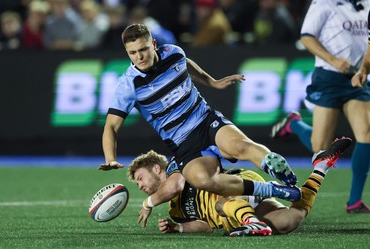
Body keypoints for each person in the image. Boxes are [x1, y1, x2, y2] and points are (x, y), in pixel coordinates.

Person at [99, 23, 301, 205]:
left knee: (241, 147)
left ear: (153, 44)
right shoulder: (128, 86)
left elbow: (185, 64)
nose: (139, 57)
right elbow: (111, 126)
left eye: (143, 49)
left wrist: (212, 81)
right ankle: (273, 189)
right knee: (203, 180)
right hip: (183, 143)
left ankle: (279, 169)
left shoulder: (173, 53)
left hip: (205, 120)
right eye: (132, 53)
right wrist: (110, 158)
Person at [127, 137, 352, 236]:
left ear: (157, 168)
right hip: (233, 216)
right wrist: (178, 229)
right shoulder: (174, 211)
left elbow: (175, 186)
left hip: (236, 186)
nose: (139, 186)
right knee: (290, 221)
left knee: (219, 202)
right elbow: (205, 226)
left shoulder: (178, 164)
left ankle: (254, 220)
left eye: (140, 178)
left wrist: (148, 203)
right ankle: (321, 167)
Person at [270, 1, 370, 213]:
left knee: (367, 135)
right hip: (329, 78)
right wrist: (333, 59)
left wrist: (364, 69)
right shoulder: (324, 3)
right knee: (320, 148)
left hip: (357, 78)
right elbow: (306, 37)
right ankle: (295, 124)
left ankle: (354, 201)